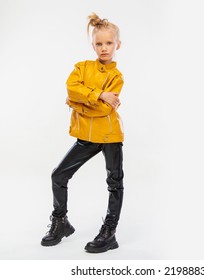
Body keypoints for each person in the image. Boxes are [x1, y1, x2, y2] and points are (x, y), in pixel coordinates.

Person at [41, 12, 125, 253]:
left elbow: (101, 111)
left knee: (114, 182)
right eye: (99, 43)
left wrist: (78, 101)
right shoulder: (82, 67)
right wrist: (98, 94)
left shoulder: (116, 77)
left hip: (110, 136)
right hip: (87, 137)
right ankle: (61, 222)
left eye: (109, 43)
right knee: (58, 175)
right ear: (93, 45)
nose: (104, 48)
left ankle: (110, 231)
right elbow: (72, 87)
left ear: (117, 45)